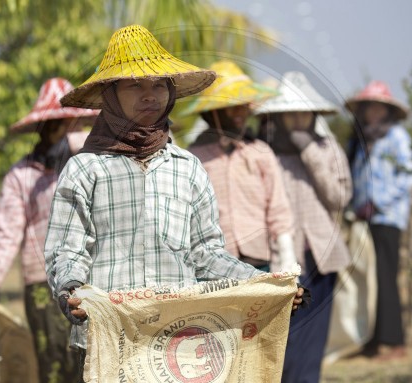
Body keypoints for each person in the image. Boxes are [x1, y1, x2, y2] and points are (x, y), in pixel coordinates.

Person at [43, 25, 306, 381]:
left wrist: (265, 285)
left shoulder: (187, 167)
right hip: (110, 340)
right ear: (110, 94)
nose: (149, 94)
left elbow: (206, 253)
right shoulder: (85, 169)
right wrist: (74, 293)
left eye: (158, 85)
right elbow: (67, 251)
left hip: (181, 345)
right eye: (134, 84)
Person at [0, 77, 99, 383]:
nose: (62, 130)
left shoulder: (88, 163)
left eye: (68, 123)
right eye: (55, 124)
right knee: (53, 364)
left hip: (89, 280)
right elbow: (8, 231)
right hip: (42, 286)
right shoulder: (21, 176)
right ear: (42, 127)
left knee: (90, 362)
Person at [255, 71, 352, 383]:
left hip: (322, 256)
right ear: (279, 117)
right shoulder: (265, 153)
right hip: (282, 258)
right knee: (287, 335)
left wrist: (309, 150)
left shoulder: (327, 149)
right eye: (291, 113)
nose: (298, 119)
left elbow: (340, 197)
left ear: (313, 115)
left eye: (304, 112)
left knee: (314, 336)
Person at [183, 60, 296, 273]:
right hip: (213, 262)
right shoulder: (194, 157)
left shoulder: (260, 152)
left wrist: (288, 257)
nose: (238, 113)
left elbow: (278, 207)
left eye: (242, 105)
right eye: (230, 107)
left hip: (258, 258)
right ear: (211, 114)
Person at [345, 80, 412, 360]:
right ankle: (370, 340)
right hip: (362, 219)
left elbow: (408, 177)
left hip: (388, 218)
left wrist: (378, 202)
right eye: (369, 107)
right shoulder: (359, 139)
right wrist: (356, 206)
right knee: (367, 280)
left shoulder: (397, 137)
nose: (373, 112)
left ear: (387, 111)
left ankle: (394, 342)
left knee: (386, 277)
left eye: (378, 107)